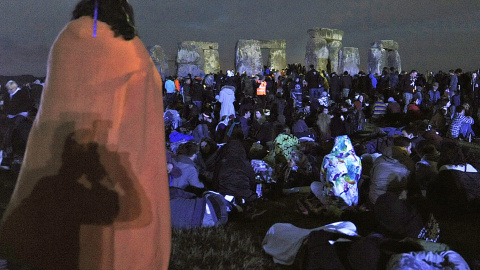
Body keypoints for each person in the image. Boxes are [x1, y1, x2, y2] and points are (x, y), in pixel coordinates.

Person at [0, 1, 171, 269]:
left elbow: (55, 102)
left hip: (62, 151)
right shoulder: (129, 46)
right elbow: (147, 92)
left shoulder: (66, 38)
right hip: (107, 151)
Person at [311, 135, 362, 208]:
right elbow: (358, 177)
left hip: (332, 202)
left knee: (314, 185)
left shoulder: (328, 158)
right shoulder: (357, 159)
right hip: (352, 201)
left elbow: (322, 178)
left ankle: (329, 205)